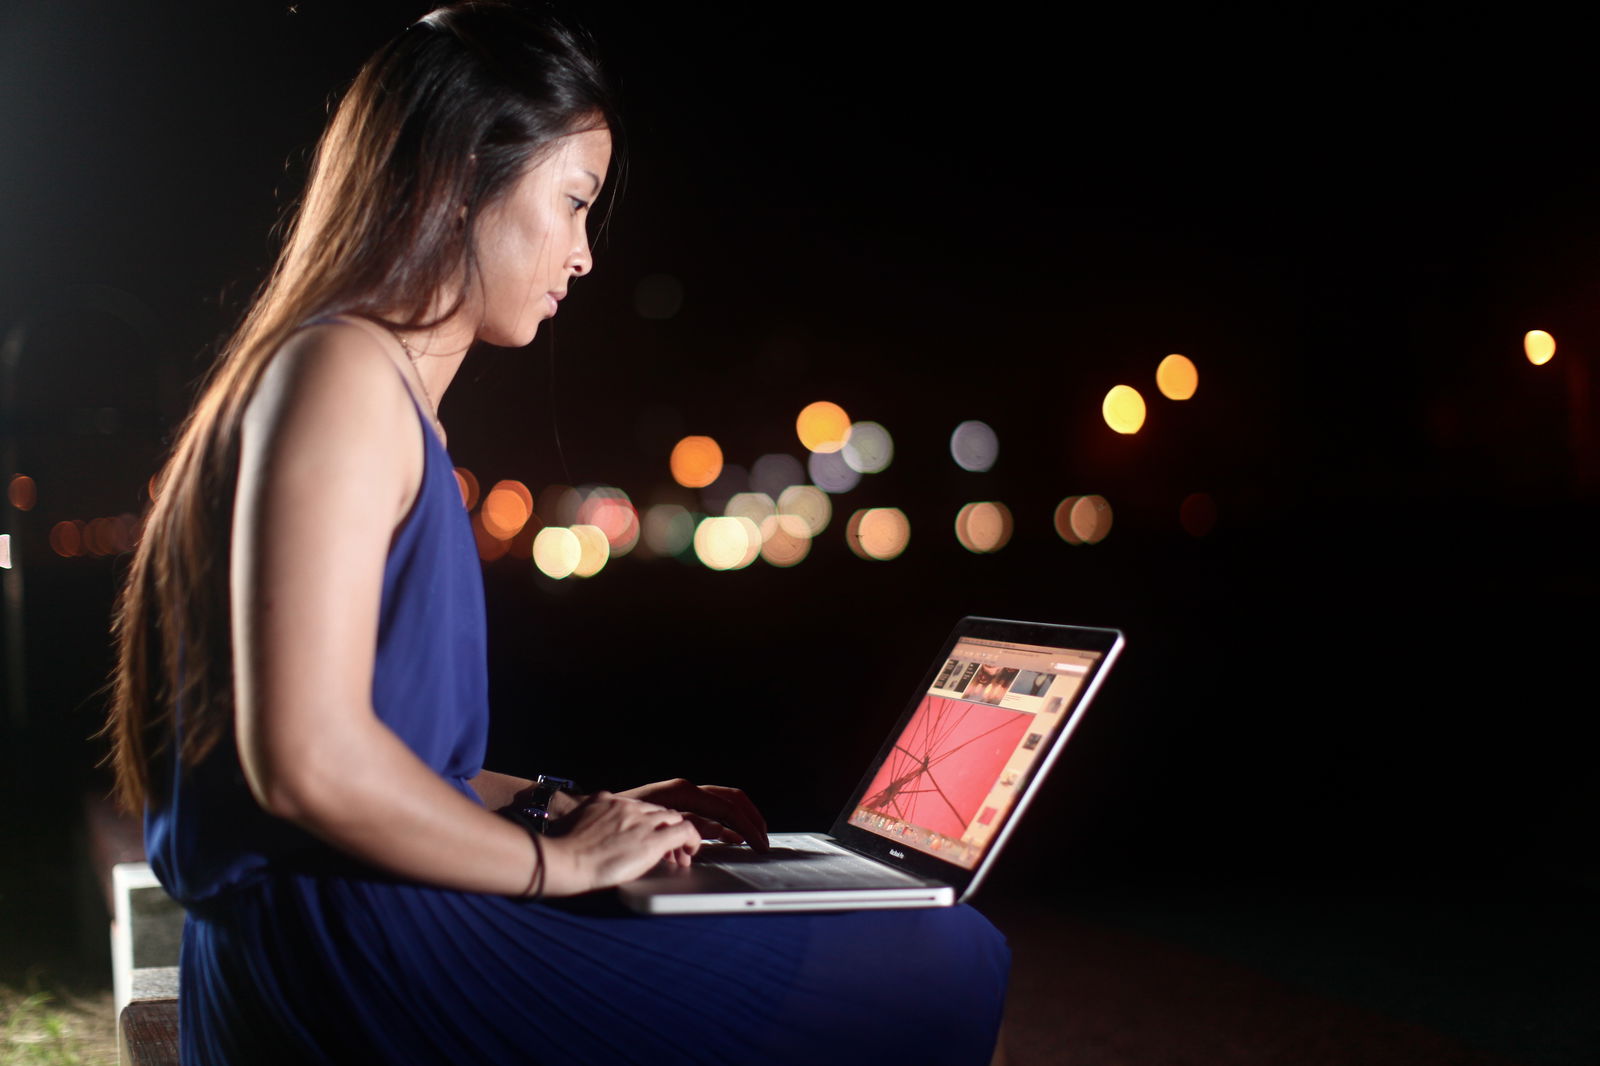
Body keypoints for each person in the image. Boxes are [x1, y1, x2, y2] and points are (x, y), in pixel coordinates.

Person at [105, 4, 1011, 1063]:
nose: (582, 255)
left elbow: (383, 751)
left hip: (347, 930)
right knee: (946, 955)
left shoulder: (363, 387)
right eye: (572, 202)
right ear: (458, 180)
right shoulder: (343, 377)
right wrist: (561, 865)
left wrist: (570, 806)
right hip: (362, 957)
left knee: (904, 938)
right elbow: (305, 761)